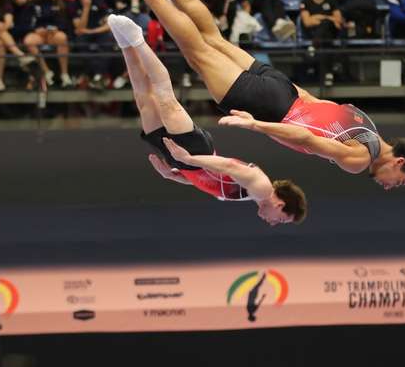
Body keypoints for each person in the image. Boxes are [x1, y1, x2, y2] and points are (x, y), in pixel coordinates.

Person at [109, 0, 405, 188]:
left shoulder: (365, 123)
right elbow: (307, 139)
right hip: (271, 108)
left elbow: (316, 103)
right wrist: (256, 124)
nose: (388, 186)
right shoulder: (359, 159)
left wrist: (279, 87)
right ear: (398, 162)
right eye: (398, 182)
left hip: (284, 90)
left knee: (213, 39)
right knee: (198, 53)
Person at [106, 14, 307, 224]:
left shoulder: (251, 195)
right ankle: (137, 39)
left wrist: (176, 176)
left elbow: (210, 181)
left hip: (186, 162)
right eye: (281, 219)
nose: (273, 222)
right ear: (280, 205)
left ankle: (125, 43)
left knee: (144, 100)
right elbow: (229, 166)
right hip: (195, 152)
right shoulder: (262, 187)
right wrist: (189, 160)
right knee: (165, 98)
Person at [23, 0, 73, 87]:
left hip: (53, 34)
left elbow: (65, 23)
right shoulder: (33, 3)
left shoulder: (59, 3)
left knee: (62, 38)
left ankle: (64, 74)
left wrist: (56, 28)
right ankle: (46, 71)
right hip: (39, 34)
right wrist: (35, 30)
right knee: (29, 41)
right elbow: (26, 22)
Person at [69, 0, 116, 90]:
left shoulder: (99, 1)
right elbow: (80, 29)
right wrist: (86, 8)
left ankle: (95, 76)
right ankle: (98, 75)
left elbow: (109, 23)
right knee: (81, 42)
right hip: (82, 35)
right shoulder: (73, 4)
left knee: (109, 39)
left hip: (97, 32)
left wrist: (93, 31)